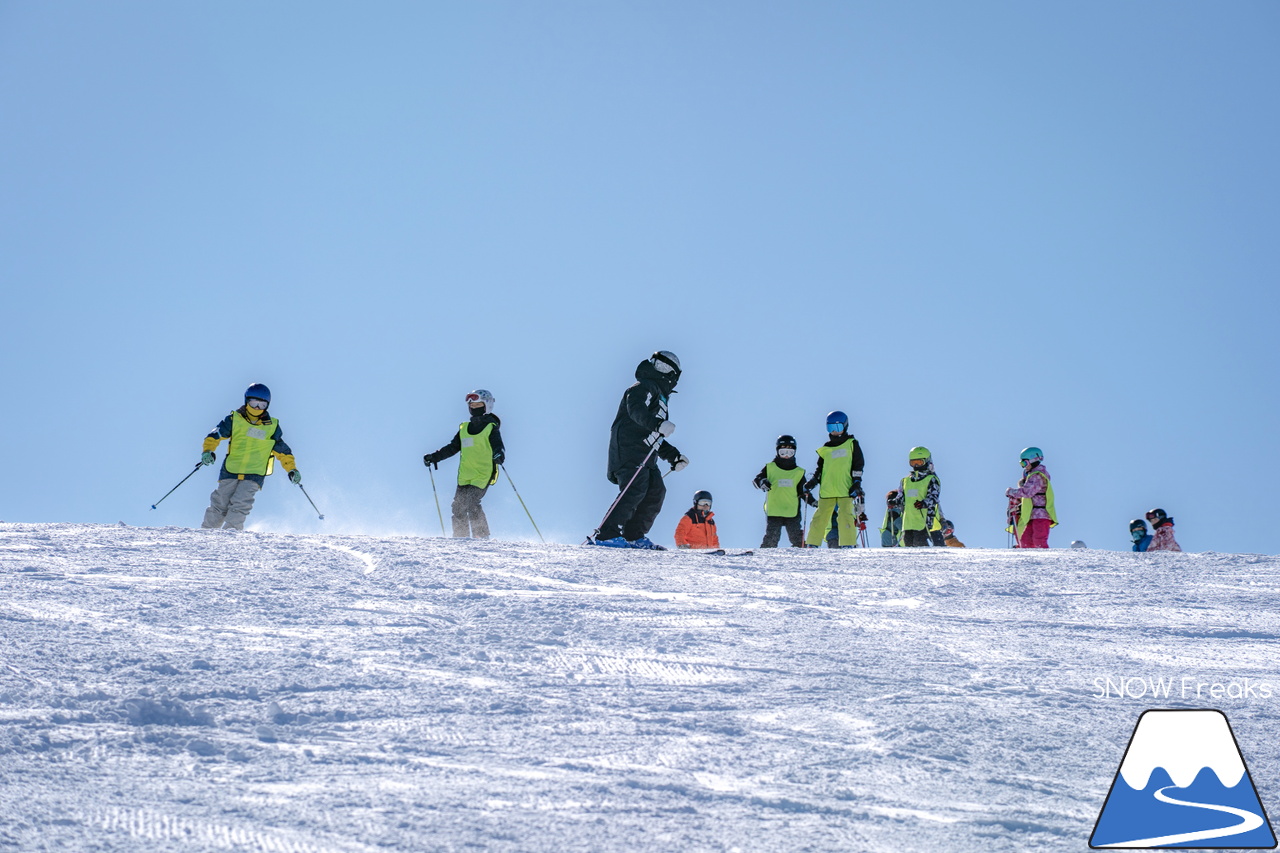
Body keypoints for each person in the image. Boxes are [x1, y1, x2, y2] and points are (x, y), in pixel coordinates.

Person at [594, 351, 689, 550]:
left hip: (646, 455)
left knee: (656, 491)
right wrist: (657, 424)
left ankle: (633, 535)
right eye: (657, 365)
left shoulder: (661, 397)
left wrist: (673, 456)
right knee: (634, 489)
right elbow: (636, 411)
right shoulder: (643, 387)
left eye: (664, 368)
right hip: (628, 449)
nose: (659, 371)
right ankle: (607, 535)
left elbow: (651, 434)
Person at [200, 383, 300, 530]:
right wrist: (207, 451)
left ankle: (231, 534)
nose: (257, 408)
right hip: (231, 469)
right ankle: (206, 534)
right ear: (247, 400)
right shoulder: (235, 419)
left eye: (262, 404)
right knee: (219, 503)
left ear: (267, 405)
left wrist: (292, 469)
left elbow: (283, 451)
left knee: (240, 504)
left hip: (254, 473)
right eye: (254, 403)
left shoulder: (271, 426)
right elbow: (215, 436)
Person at [423, 389, 505, 539]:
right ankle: (461, 538)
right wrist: (434, 457)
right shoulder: (465, 429)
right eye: (472, 406)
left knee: (472, 503)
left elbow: (498, 445)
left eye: (478, 404)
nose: (475, 408)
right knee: (458, 507)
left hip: (483, 473)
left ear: (487, 406)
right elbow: (452, 447)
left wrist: (499, 454)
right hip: (465, 475)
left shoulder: (491, 428)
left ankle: (481, 537)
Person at [803, 411, 865, 548]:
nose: (834, 432)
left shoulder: (851, 444)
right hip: (827, 489)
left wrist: (856, 483)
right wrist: (813, 482)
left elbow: (858, 464)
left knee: (845, 516)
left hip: (845, 488)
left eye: (837, 428)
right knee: (820, 516)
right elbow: (820, 469)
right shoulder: (826, 448)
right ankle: (812, 543)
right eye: (831, 428)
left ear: (845, 426)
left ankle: (848, 544)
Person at [752, 435, 806, 549]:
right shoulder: (770, 468)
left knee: (797, 539)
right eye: (783, 452)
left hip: (792, 511)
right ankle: (764, 558)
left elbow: (803, 491)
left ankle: (803, 560)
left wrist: (813, 502)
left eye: (790, 452)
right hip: (774, 511)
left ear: (794, 452)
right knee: (771, 538)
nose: (786, 456)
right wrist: (763, 482)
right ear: (777, 451)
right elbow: (756, 481)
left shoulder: (799, 472)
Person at [1006, 446, 1056, 548]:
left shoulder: (1038, 475)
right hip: (1031, 515)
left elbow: (1027, 492)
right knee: (1025, 541)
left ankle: (1044, 561)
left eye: (1024, 463)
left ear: (1033, 460)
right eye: (1021, 464)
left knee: (1038, 540)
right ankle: (1028, 562)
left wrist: (1011, 492)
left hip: (1041, 515)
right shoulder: (1031, 476)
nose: (1023, 466)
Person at [899, 447, 940, 547]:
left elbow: (934, 497)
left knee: (920, 543)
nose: (916, 465)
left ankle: (926, 561)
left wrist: (923, 503)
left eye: (919, 462)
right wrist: (894, 502)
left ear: (927, 461)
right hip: (908, 521)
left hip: (923, 519)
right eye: (913, 463)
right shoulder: (905, 480)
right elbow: (901, 497)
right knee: (908, 544)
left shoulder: (931, 479)